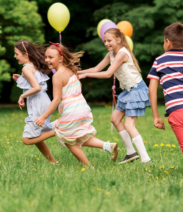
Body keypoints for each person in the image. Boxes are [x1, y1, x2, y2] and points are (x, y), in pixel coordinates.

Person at [34, 42, 118, 167]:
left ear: (61, 58)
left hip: (71, 111)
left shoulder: (57, 76)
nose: (47, 60)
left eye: (50, 57)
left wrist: (43, 117)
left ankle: (88, 168)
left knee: (68, 141)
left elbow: (56, 99)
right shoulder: (72, 71)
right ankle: (107, 146)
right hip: (82, 108)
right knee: (79, 137)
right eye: (46, 57)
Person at [78, 28, 151, 164]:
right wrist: (77, 73)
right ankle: (130, 153)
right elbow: (96, 69)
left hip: (136, 90)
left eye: (109, 40)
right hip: (128, 91)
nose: (106, 43)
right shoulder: (111, 54)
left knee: (129, 125)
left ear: (118, 40)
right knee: (115, 119)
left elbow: (107, 73)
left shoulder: (122, 53)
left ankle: (146, 159)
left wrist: (86, 75)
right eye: (105, 41)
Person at [13, 40, 57, 163]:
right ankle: (52, 162)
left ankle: (58, 130)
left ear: (25, 54)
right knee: (36, 135)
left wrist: (22, 96)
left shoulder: (27, 68)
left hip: (38, 103)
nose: (15, 56)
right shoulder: (32, 66)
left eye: (17, 54)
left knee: (27, 139)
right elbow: (34, 83)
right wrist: (21, 79)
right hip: (41, 101)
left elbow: (36, 87)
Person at [148, 22, 183, 153]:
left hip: (177, 111)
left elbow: (152, 89)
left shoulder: (160, 61)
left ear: (167, 42)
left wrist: (156, 116)